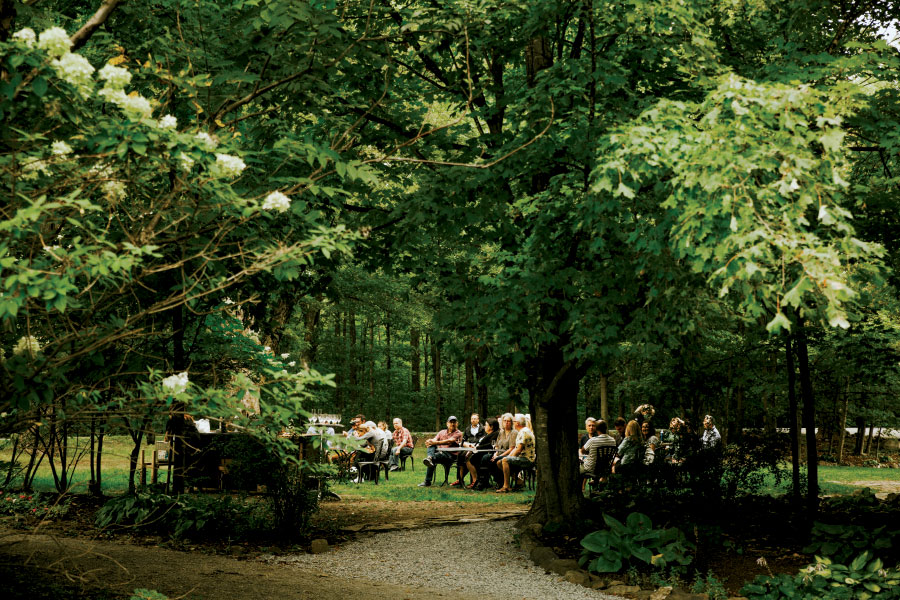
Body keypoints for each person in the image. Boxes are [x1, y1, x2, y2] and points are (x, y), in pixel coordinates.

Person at [419, 416, 462, 487]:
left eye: (454, 422)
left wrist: (434, 442)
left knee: (433, 455)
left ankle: (427, 481)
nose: (452, 424)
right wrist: (429, 441)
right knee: (431, 447)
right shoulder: (442, 432)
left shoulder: (458, 433)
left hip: (451, 455)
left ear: (457, 424)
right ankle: (429, 458)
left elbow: (449, 441)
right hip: (441, 453)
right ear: (447, 424)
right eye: (451, 422)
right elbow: (434, 440)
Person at [496, 414, 535, 493]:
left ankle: (506, 486)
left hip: (527, 459)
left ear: (517, 423)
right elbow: (516, 449)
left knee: (504, 461)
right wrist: (508, 457)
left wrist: (507, 459)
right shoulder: (522, 431)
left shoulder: (524, 432)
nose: (512, 423)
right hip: (522, 457)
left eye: (513, 421)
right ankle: (519, 481)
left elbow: (518, 450)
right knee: (499, 462)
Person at [465, 417, 499, 489]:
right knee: (468, 457)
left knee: (477, 458)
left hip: (489, 453)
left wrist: (477, 448)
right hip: (481, 452)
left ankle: (481, 481)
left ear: (491, 427)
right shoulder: (487, 434)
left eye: (486, 425)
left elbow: (490, 445)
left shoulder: (495, 434)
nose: (484, 426)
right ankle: (478, 480)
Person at [452, 413, 484, 486]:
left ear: (478, 420)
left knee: (466, 456)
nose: (473, 420)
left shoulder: (483, 429)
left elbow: (483, 439)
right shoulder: (467, 429)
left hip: (478, 448)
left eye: (475, 419)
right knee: (460, 455)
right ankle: (459, 479)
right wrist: (464, 444)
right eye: (472, 419)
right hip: (468, 446)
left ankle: (473, 480)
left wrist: (476, 446)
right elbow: (464, 439)